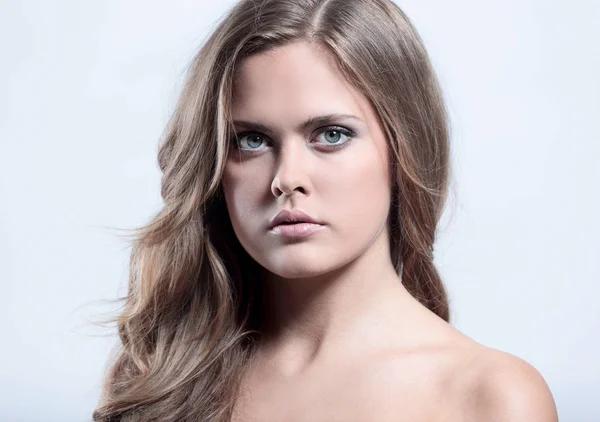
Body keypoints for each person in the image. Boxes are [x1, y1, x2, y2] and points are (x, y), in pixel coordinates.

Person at [93, 0, 558, 421]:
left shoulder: (491, 399)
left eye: (331, 134)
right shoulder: (159, 380)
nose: (287, 178)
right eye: (251, 140)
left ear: (404, 149)